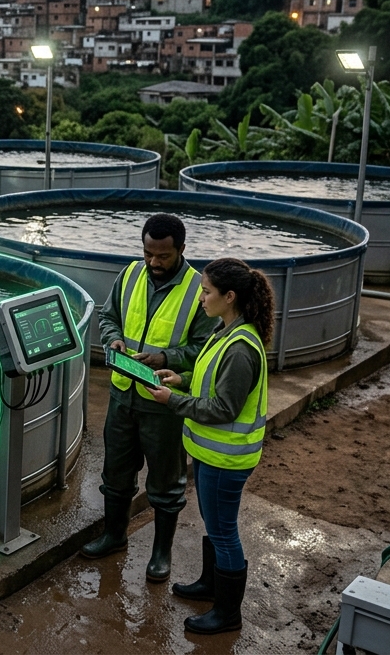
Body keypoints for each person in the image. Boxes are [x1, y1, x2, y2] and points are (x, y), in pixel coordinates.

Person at [82, 213, 217, 585]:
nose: (154, 263)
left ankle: (161, 553)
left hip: (164, 402)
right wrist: (113, 339)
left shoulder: (198, 290)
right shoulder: (129, 274)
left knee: (166, 482)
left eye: (163, 257)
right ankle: (114, 535)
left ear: (182, 250)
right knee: (116, 473)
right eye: (148, 254)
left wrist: (165, 358)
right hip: (122, 395)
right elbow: (108, 317)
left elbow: (205, 348)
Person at [145, 257, 274, 635]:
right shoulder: (226, 331)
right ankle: (210, 584)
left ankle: (227, 614)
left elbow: (223, 407)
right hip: (209, 453)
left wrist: (172, 400)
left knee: (223, 532)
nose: (201, 297)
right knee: (215, 523)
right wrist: (181, 378)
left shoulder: (240, 348)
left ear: (229, 296)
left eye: (206, 291)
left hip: (226, 458)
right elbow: (209, 381)